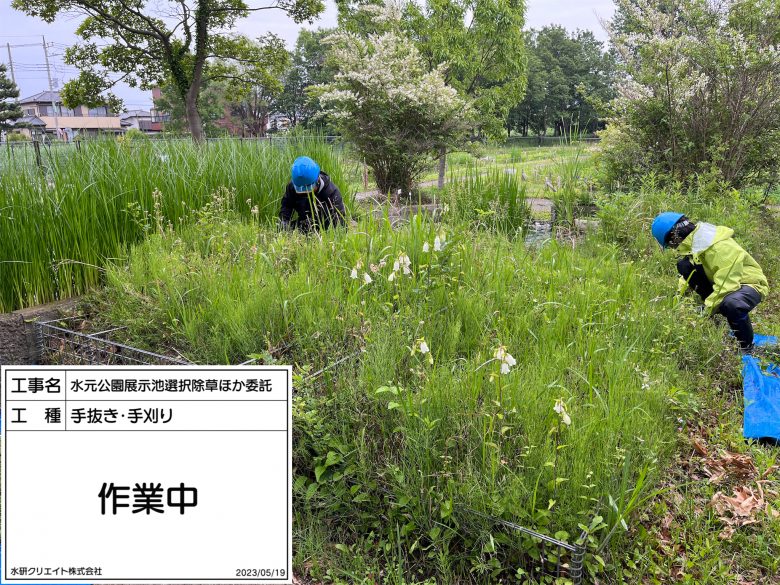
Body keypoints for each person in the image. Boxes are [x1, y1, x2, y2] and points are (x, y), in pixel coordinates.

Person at [651, 212, 769, 352]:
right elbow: (688, 277)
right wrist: (678, 302)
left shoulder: (719, 246)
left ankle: (746, 347)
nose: (672, 248)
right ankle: (716, 314)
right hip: (724, 284)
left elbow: (727, 285)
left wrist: (705, 313)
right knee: (684, 266)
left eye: (670, 245)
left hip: (749, 284)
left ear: (674, 237)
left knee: (732, 304)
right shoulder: (695, 244)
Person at [279, 156, 346, 232]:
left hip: (324, 227)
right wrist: (284, 221)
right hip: (303, 224)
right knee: (285, 226)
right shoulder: (292, 187)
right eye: (300, 189)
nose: (305, 192)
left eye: (309, 188)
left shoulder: (331, 192)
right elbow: (286, 206)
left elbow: (340, 223)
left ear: (318, 179)